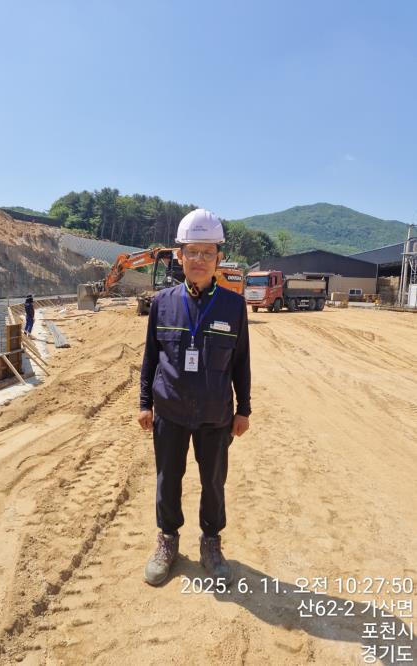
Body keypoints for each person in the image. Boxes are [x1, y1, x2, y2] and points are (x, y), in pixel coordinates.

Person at [139, 208, 251, 586]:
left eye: (208, 252)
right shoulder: (163, 303)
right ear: (180, 255)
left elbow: (241, 361)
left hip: (215, 414)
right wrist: (144, 404)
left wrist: (244, 409)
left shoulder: (234, 306)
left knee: (213, 482)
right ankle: (167, 540)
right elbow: (150, 358)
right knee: (168, 478)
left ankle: (211, 543)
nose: (199, 259)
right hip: (169, 410)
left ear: (219, 257)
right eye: (192, 251)